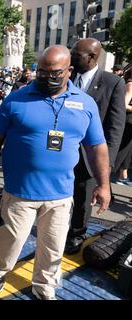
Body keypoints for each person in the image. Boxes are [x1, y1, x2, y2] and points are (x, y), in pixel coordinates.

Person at [0, 45, 110, 300]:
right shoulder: (17, 98)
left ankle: (44, 285)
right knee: (12, 240)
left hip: (60, 195)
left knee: (52, 246)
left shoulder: (85, 104)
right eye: (42, 72)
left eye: (55, 73)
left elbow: (97, 147)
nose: (47, 78)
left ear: (69, 71)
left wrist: (104, 185)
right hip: (19, 192)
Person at [66, 38, 126, 254]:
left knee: (83, 198)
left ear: (92, 57)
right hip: (65, 150)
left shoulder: (113, 83)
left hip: (91, 154)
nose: (71, 56)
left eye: (76, 53)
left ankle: (77, 234)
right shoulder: (67, 76)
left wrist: (106, 166)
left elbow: (115, 127)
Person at [114, 68, 132, 185]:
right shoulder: (131, 85)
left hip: (129, 121)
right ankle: (103, 175)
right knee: (122, 151)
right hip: (127, 120)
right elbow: (124, 104)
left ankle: (122, 175)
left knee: (128, 149)